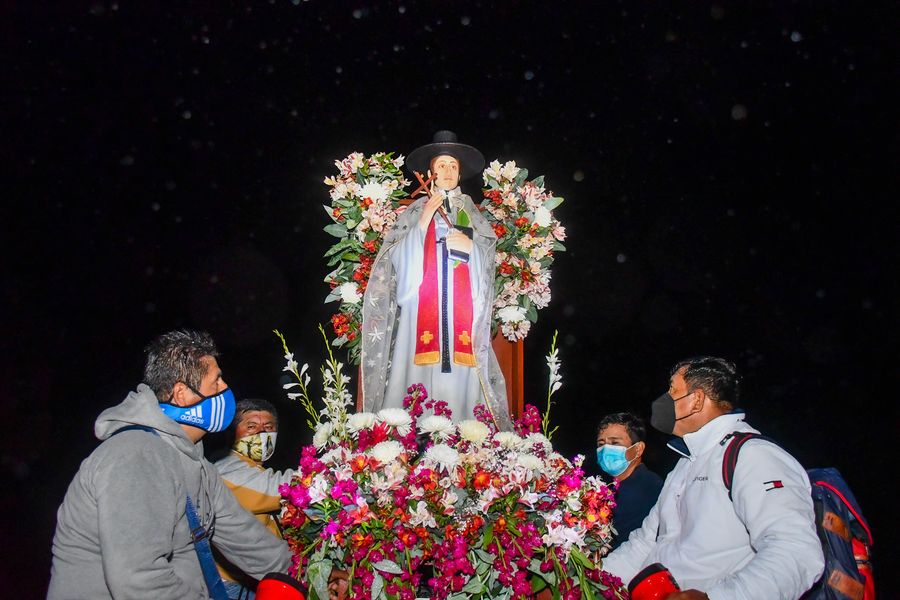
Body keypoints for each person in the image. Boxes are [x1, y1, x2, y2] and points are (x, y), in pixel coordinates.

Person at [48, 330, 291, 600]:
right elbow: (140, 580)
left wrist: (305, 575)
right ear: (182, 394)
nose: (225, 388)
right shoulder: (136, 457)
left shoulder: (195, 464)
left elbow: (245, 538)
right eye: (217, 381)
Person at [601, 356, 824, 600]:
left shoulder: (752, 455)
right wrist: (588, 582)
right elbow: (645, 543)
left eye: (673, 391)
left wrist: (715, 597)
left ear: (696, 400)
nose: (663, 400)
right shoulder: (685, 465)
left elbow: (796, 552)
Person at [361, 130, 511, 430]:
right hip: (422, 307)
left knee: (461, 369)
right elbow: (396, 256)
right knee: (417, 368)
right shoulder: (416, 209)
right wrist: (422, 223)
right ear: (430, 172)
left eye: (453, 166)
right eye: (441, 165)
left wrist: (471, 249)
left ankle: (466, 431)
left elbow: (486, 259)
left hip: (461, 309)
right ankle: (410, 432)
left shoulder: (471, 213)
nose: (448, 171)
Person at [215, 398, 296, 600]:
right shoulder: (227, 467)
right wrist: (332, 472)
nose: (261, 433)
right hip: (233, 585)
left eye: (268, 427)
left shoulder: (253, 467)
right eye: (251, 426)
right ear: (233, 433)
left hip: (253, 578)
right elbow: (280, 489)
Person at [596, 411, 663, 549]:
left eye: (615, 443)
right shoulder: (611, 486)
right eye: (601, 444)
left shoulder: (647, 486)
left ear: (638, 449)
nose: (605, 449)